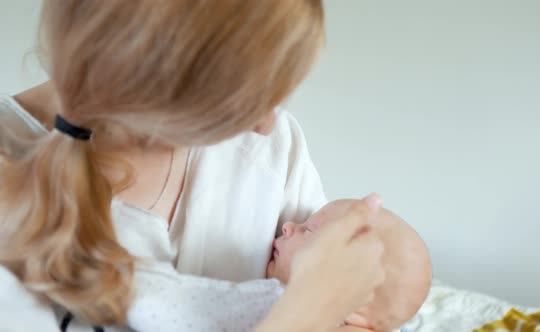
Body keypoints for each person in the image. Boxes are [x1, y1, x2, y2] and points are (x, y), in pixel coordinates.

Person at [0, 1, 391, 331]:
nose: (267, 123)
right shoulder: (14, 188)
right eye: (248, 98)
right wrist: (306, 310)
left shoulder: (272, 147)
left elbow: (362, 309)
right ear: (163, 76)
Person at [125, 198, 432, 332]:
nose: (288, 225)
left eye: (309, 229)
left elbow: (177, 308)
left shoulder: (277, 301)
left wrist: (122, 281)